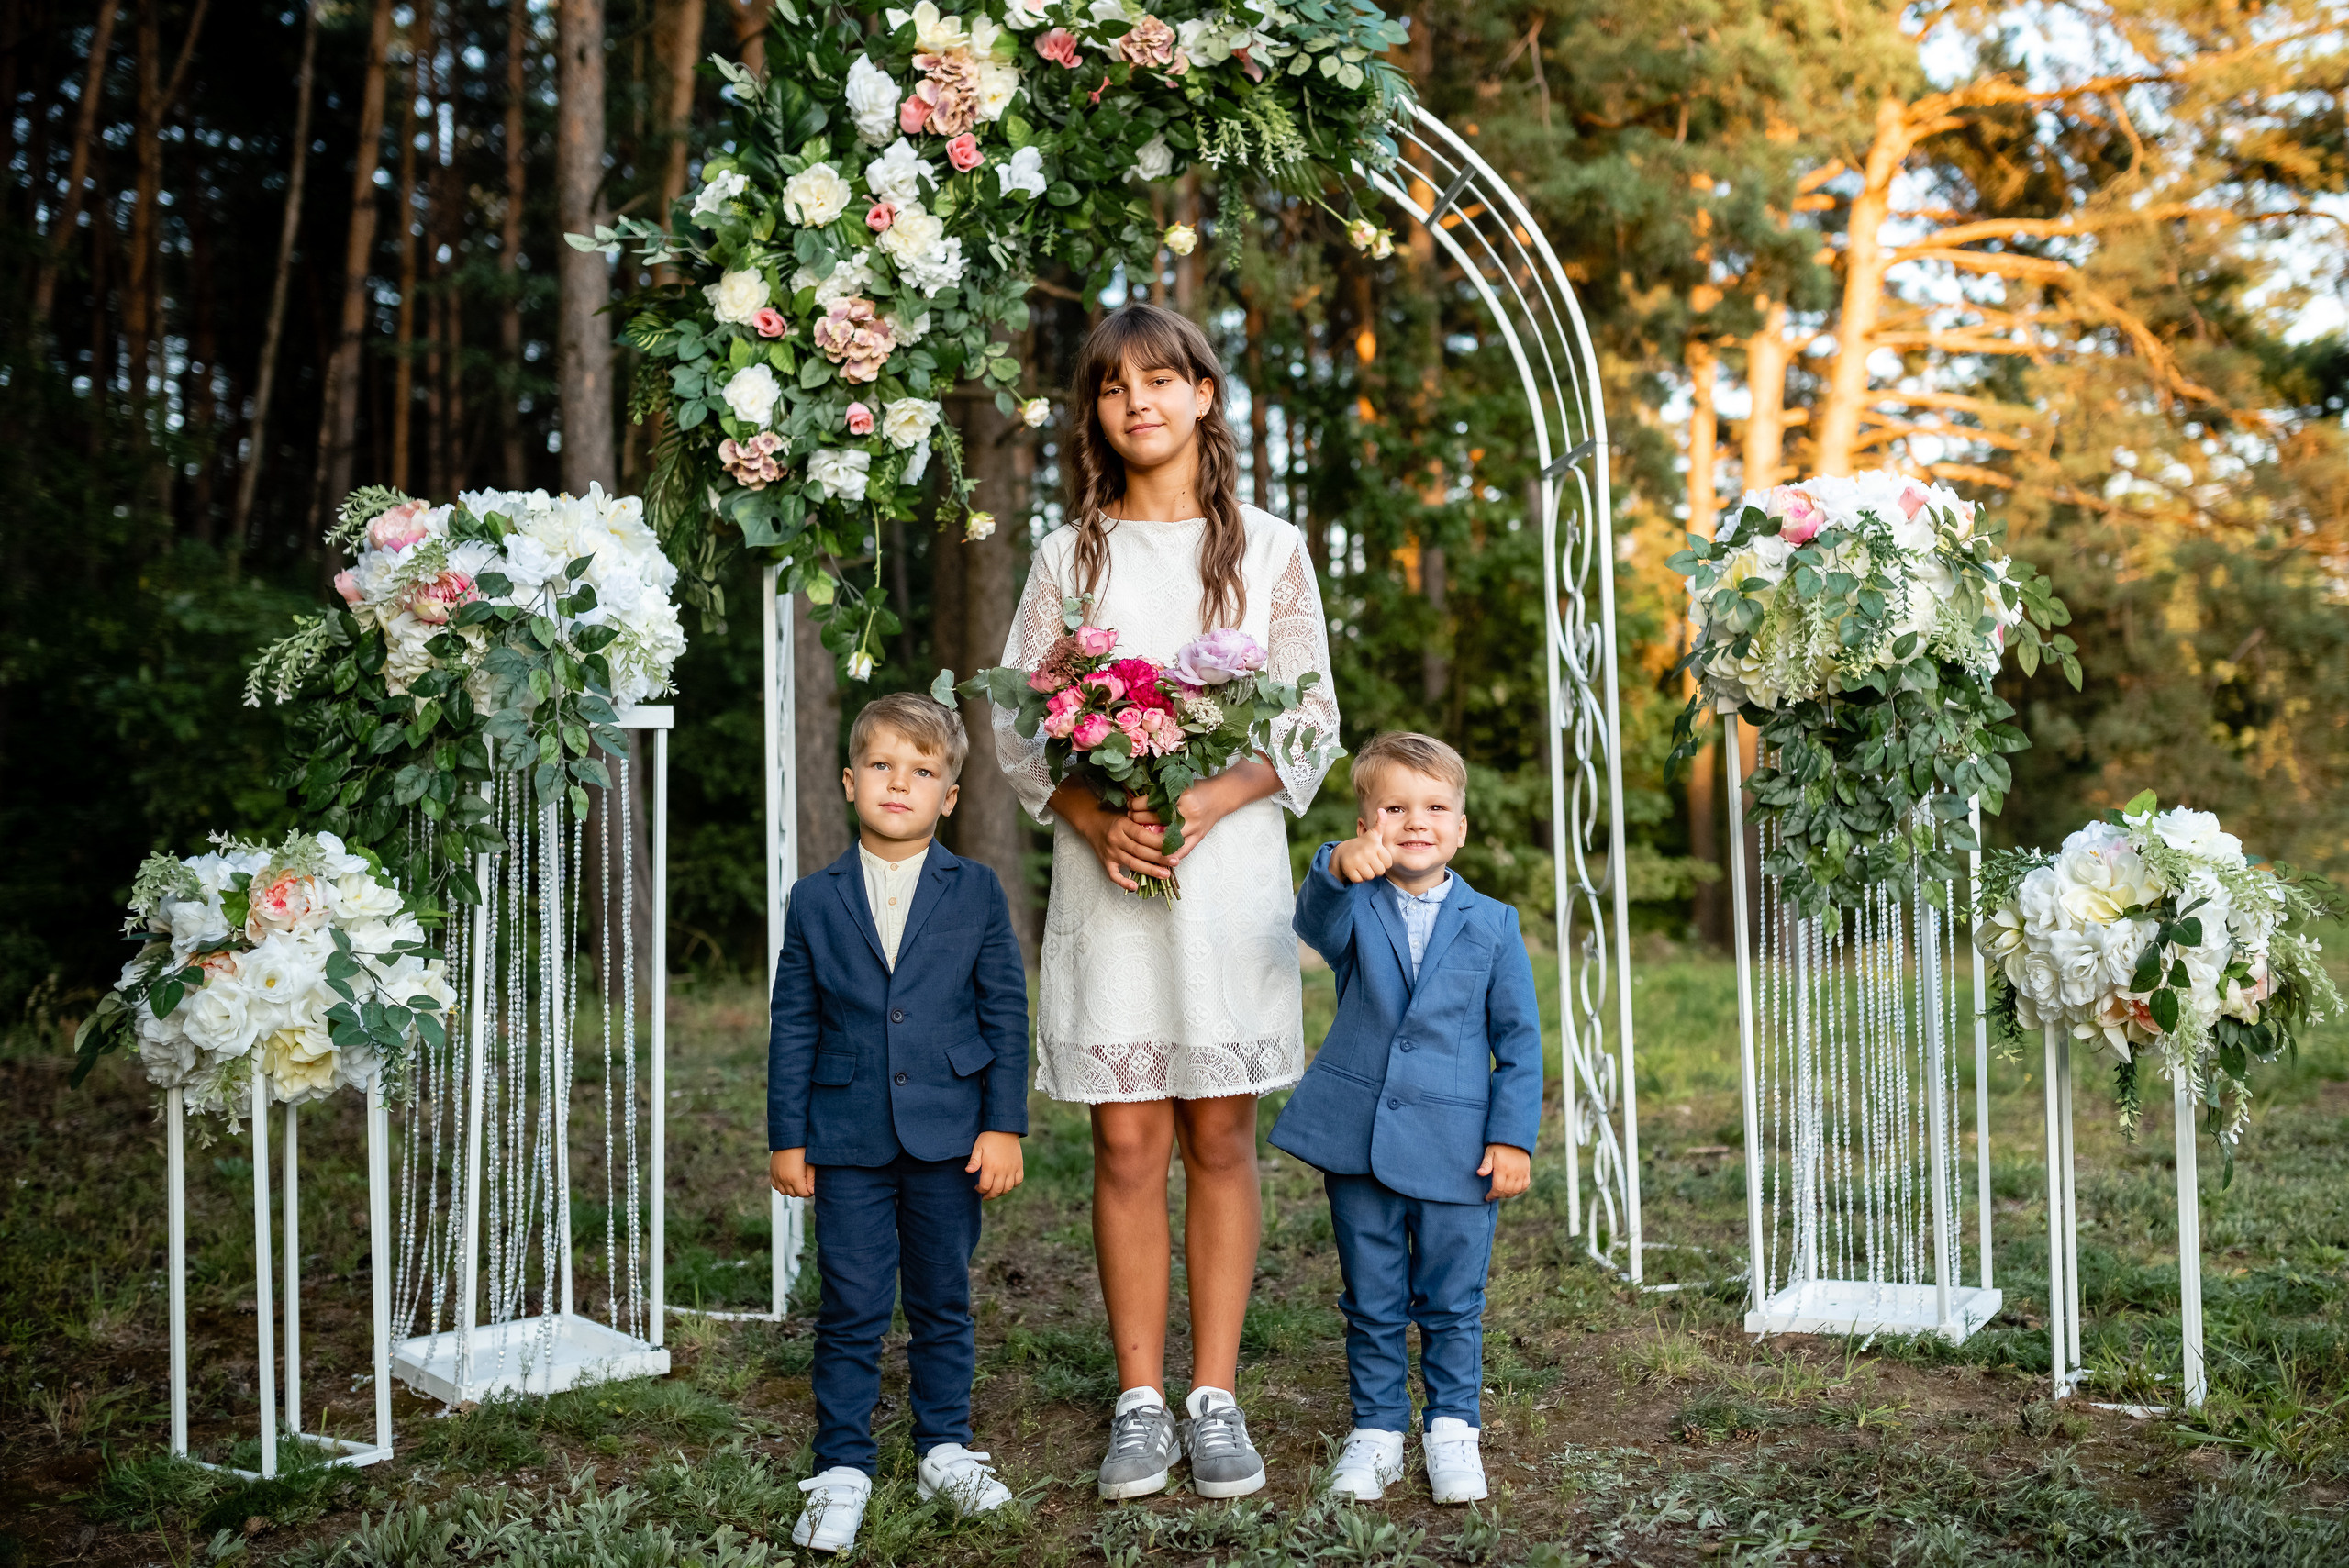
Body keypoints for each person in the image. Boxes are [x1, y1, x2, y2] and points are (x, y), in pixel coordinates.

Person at [995, 302, 1339, 1500]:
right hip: (1111, 880)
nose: (1135, 401)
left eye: (1160, 378)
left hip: (1229, 868)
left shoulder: (1272, 551)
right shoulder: (1066, 556)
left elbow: (1307, 719)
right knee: (1129, 1136)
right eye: (1108, 386)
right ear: (1092, 414)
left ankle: (1217, 1393)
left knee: (1220, 1133)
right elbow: (1014, 716)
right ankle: (1140, 1399)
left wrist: (1211, 797)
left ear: (1204, 396)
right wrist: (1096, 816)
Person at [768, 692, 1030, 1554]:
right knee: (849, 1299)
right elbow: (794, 1021)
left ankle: (944, 1447)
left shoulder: (977, 890)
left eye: (922, 772)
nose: (899, 782)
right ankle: (841, 1463)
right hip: (844, 1135)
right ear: (849, 781)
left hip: (950, 1134)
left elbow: (1004, 1011)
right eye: (882, 765)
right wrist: (787, 1135)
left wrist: (1003, 1125)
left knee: (943, 1296)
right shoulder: (814, 899)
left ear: (948, 796)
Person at [1270, 732, 1542, 1506]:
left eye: (1435, 808)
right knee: (1372, 1294)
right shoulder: (1354, 905)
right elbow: (1314, 922)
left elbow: (1518, 1040)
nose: (1415, 821)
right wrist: (1333, 864)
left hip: (1460, 1149)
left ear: (1460, 827)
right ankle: (1379, 1428)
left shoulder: (1493, 923)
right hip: (1359, 1140)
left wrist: (1511, 1136)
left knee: (1454, 1298)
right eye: (1394, 807)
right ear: (1367, 823)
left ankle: (1453, 1425)